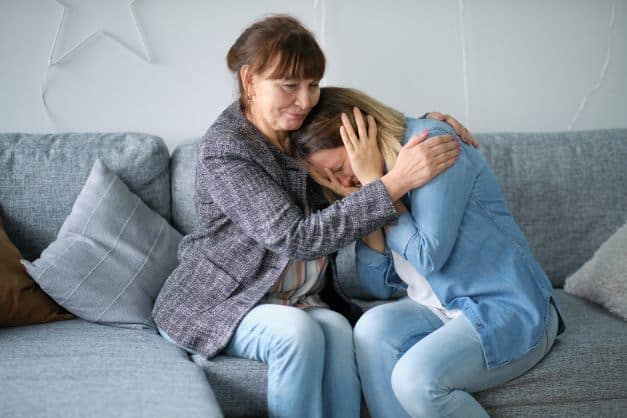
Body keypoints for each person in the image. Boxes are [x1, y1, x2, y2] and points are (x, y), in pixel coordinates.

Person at [152, 15, 473, 418]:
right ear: (250, 81)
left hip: (298, 299)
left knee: (338, 330)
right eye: (289, 86)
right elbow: (296, 238)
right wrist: (392, 185)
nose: (305, 100)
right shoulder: (227, 150)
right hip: (223, 302)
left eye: (312, 84)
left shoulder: (302, 128)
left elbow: (367, 124)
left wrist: (426, 127)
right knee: (296, 333)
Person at [291, 86, 566, 418]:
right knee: (370, 329)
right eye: (328, 178)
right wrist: (371, 197)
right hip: (442, 310)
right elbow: (376, 285)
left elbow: (427, 255)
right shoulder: (373, 181)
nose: (340, 181)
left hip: (507, 307)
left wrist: (376, 186)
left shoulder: (432, 143)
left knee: (414, 380)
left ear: (363, 134)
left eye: (338, 167)